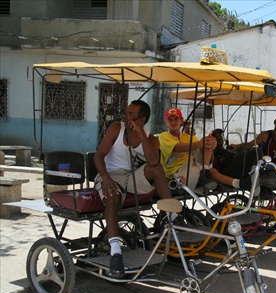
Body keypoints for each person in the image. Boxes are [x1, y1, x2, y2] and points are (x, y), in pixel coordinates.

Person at [94, 100, 172, 278]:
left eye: (130, 114)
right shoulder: (116, 128)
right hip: (110, 175)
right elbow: (99, 156)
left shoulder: (151, 138)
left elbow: (153, 162)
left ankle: (171, 218)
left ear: (141, 119)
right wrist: (105, 178)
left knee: (157, 169)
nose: (125, 116)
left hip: (130, 177)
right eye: (126, 112)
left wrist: (141, 133)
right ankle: (115, 250)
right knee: (112, 195)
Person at [158, 108, 259, 194]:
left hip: (197, 165)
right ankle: (205, 174)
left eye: (176, 119)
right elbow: (177, 147)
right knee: (212, 170)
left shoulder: (187, 137)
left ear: (181, 121)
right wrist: (201, 144)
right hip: (178, 170)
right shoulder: (164, 136)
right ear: (166, 122)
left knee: (208, 144)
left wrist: (211, 143)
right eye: (170, 120)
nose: (173, 122)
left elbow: (202, 146)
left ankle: (241, 183)